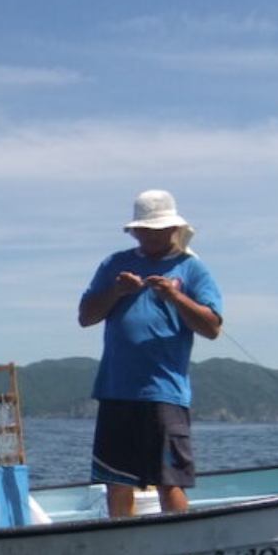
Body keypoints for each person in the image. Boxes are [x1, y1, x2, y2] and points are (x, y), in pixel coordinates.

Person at [78, 189, 223, 518]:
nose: (149, 236)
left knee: (169, 481)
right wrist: (117, 290)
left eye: (156, 230)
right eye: (143, 230)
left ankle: (179, 546)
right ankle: (122, 547)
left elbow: (212, 327)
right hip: (116, 390)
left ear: (173, 229)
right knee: (116, 482)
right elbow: (86, 316)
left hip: (164, 392)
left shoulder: (192, 269)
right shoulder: (115, 265)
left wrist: (174, 297)